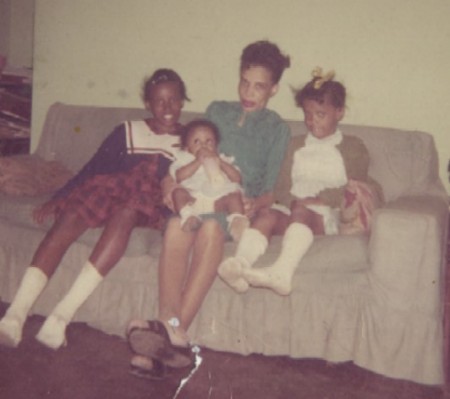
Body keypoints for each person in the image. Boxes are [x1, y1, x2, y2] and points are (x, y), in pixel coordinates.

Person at [126, 40, 291, 373]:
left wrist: (251, 202)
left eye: (259, 86)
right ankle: (173, 339)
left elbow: (270, 192)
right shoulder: (218, 111)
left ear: (273, 89)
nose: (249, 91)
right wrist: (169, 184)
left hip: (232, 210)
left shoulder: (277, 129)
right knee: (174, 224)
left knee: (212, 227)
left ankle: (163, 335)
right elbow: (188, 151)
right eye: (244, 82)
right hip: (194, 199)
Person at [0, 68, 188, 351]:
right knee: (69, 217)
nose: (167, 107)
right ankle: (15, 315)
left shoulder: (191, 139)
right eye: (159, 100)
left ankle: (61, 317)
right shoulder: (127, 130)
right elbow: (93, 168)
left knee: (127, 212)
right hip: (109, 187)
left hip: (146, 198)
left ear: (183, 101)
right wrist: (59, 197)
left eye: (174, 99)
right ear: (148, 103)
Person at [219, 67, 383, 296]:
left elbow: (355, 186)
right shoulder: (295, 144)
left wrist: (318, 199)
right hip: (291, 207)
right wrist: (292, 201)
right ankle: (240, 265)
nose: (311, 121)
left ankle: (282, 273)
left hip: (327, 213)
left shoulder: (353, 146)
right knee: (266, 214)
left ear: (339, 112)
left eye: (320, 114)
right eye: (307, 114)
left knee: (303, 212)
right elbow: (281, 185)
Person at [170, 118, 248, 241]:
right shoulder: (183, 160)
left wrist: (220, 161)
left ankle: (237, 221)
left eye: (209, 141)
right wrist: (197, 161)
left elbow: (237, 179)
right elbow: (179, 177)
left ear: (216, 145)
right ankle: (189, 217)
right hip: (193, 200)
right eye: (197, 141)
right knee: (178, 193)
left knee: (234, 196)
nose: (204, 145)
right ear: (186, 147)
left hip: (219, 202)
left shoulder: (223, 159)